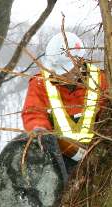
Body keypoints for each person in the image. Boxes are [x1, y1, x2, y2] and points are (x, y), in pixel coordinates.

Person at [22, 31, 108, 172]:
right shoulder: (40, 83)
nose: (60, 74)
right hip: (57, 162)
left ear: (80, 62)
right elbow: (33, 112)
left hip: (97, 159)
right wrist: (39, 129)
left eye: (66, 70)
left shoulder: (101, 80)